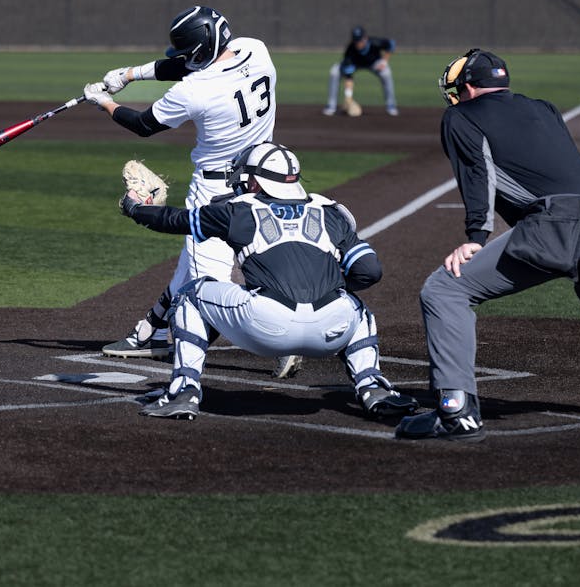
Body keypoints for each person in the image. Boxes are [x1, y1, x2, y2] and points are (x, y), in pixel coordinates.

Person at [396, 48, 580, 442]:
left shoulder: (460, 116)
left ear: (466, 88)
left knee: (445, 289)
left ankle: (455, 410)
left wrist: (476, 238)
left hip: (564, 223)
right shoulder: (544, 109)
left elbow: (477, 173)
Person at [118, 141, 419, 420]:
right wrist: (330, 289)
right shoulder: (330, 212)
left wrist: (134, 207)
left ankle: (183, 391)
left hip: (266, 328)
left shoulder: (239, 211)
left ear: (256, 182)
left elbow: (173, 220)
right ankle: (374, 388)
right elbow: (370, 270)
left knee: (190, 296)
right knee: (355, 307)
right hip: (331, 331)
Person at [83, 5, 302, 380]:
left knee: (207, 289)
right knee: (193, 261)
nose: (184, 60)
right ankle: (152, 332)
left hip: (215, 190)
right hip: (262, 179)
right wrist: (130, 75)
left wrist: (103, 101)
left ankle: (280, 342)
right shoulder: (257, 49)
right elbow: (187, 63)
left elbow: (143, 125)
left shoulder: (194, 91)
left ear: (198, 53)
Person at [322, 25, 396, 117]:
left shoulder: (374, 42)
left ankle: (391, 105)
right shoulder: (350, 51)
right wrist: (348, 97)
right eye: (356, 41)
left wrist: (384, 61)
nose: (358, 43)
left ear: (365, 38)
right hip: (355, 64)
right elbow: (349, 76)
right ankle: (331, 106)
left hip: (373, 63)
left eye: (360, 40)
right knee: (334, 72)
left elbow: (391, 43)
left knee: (386, 73)